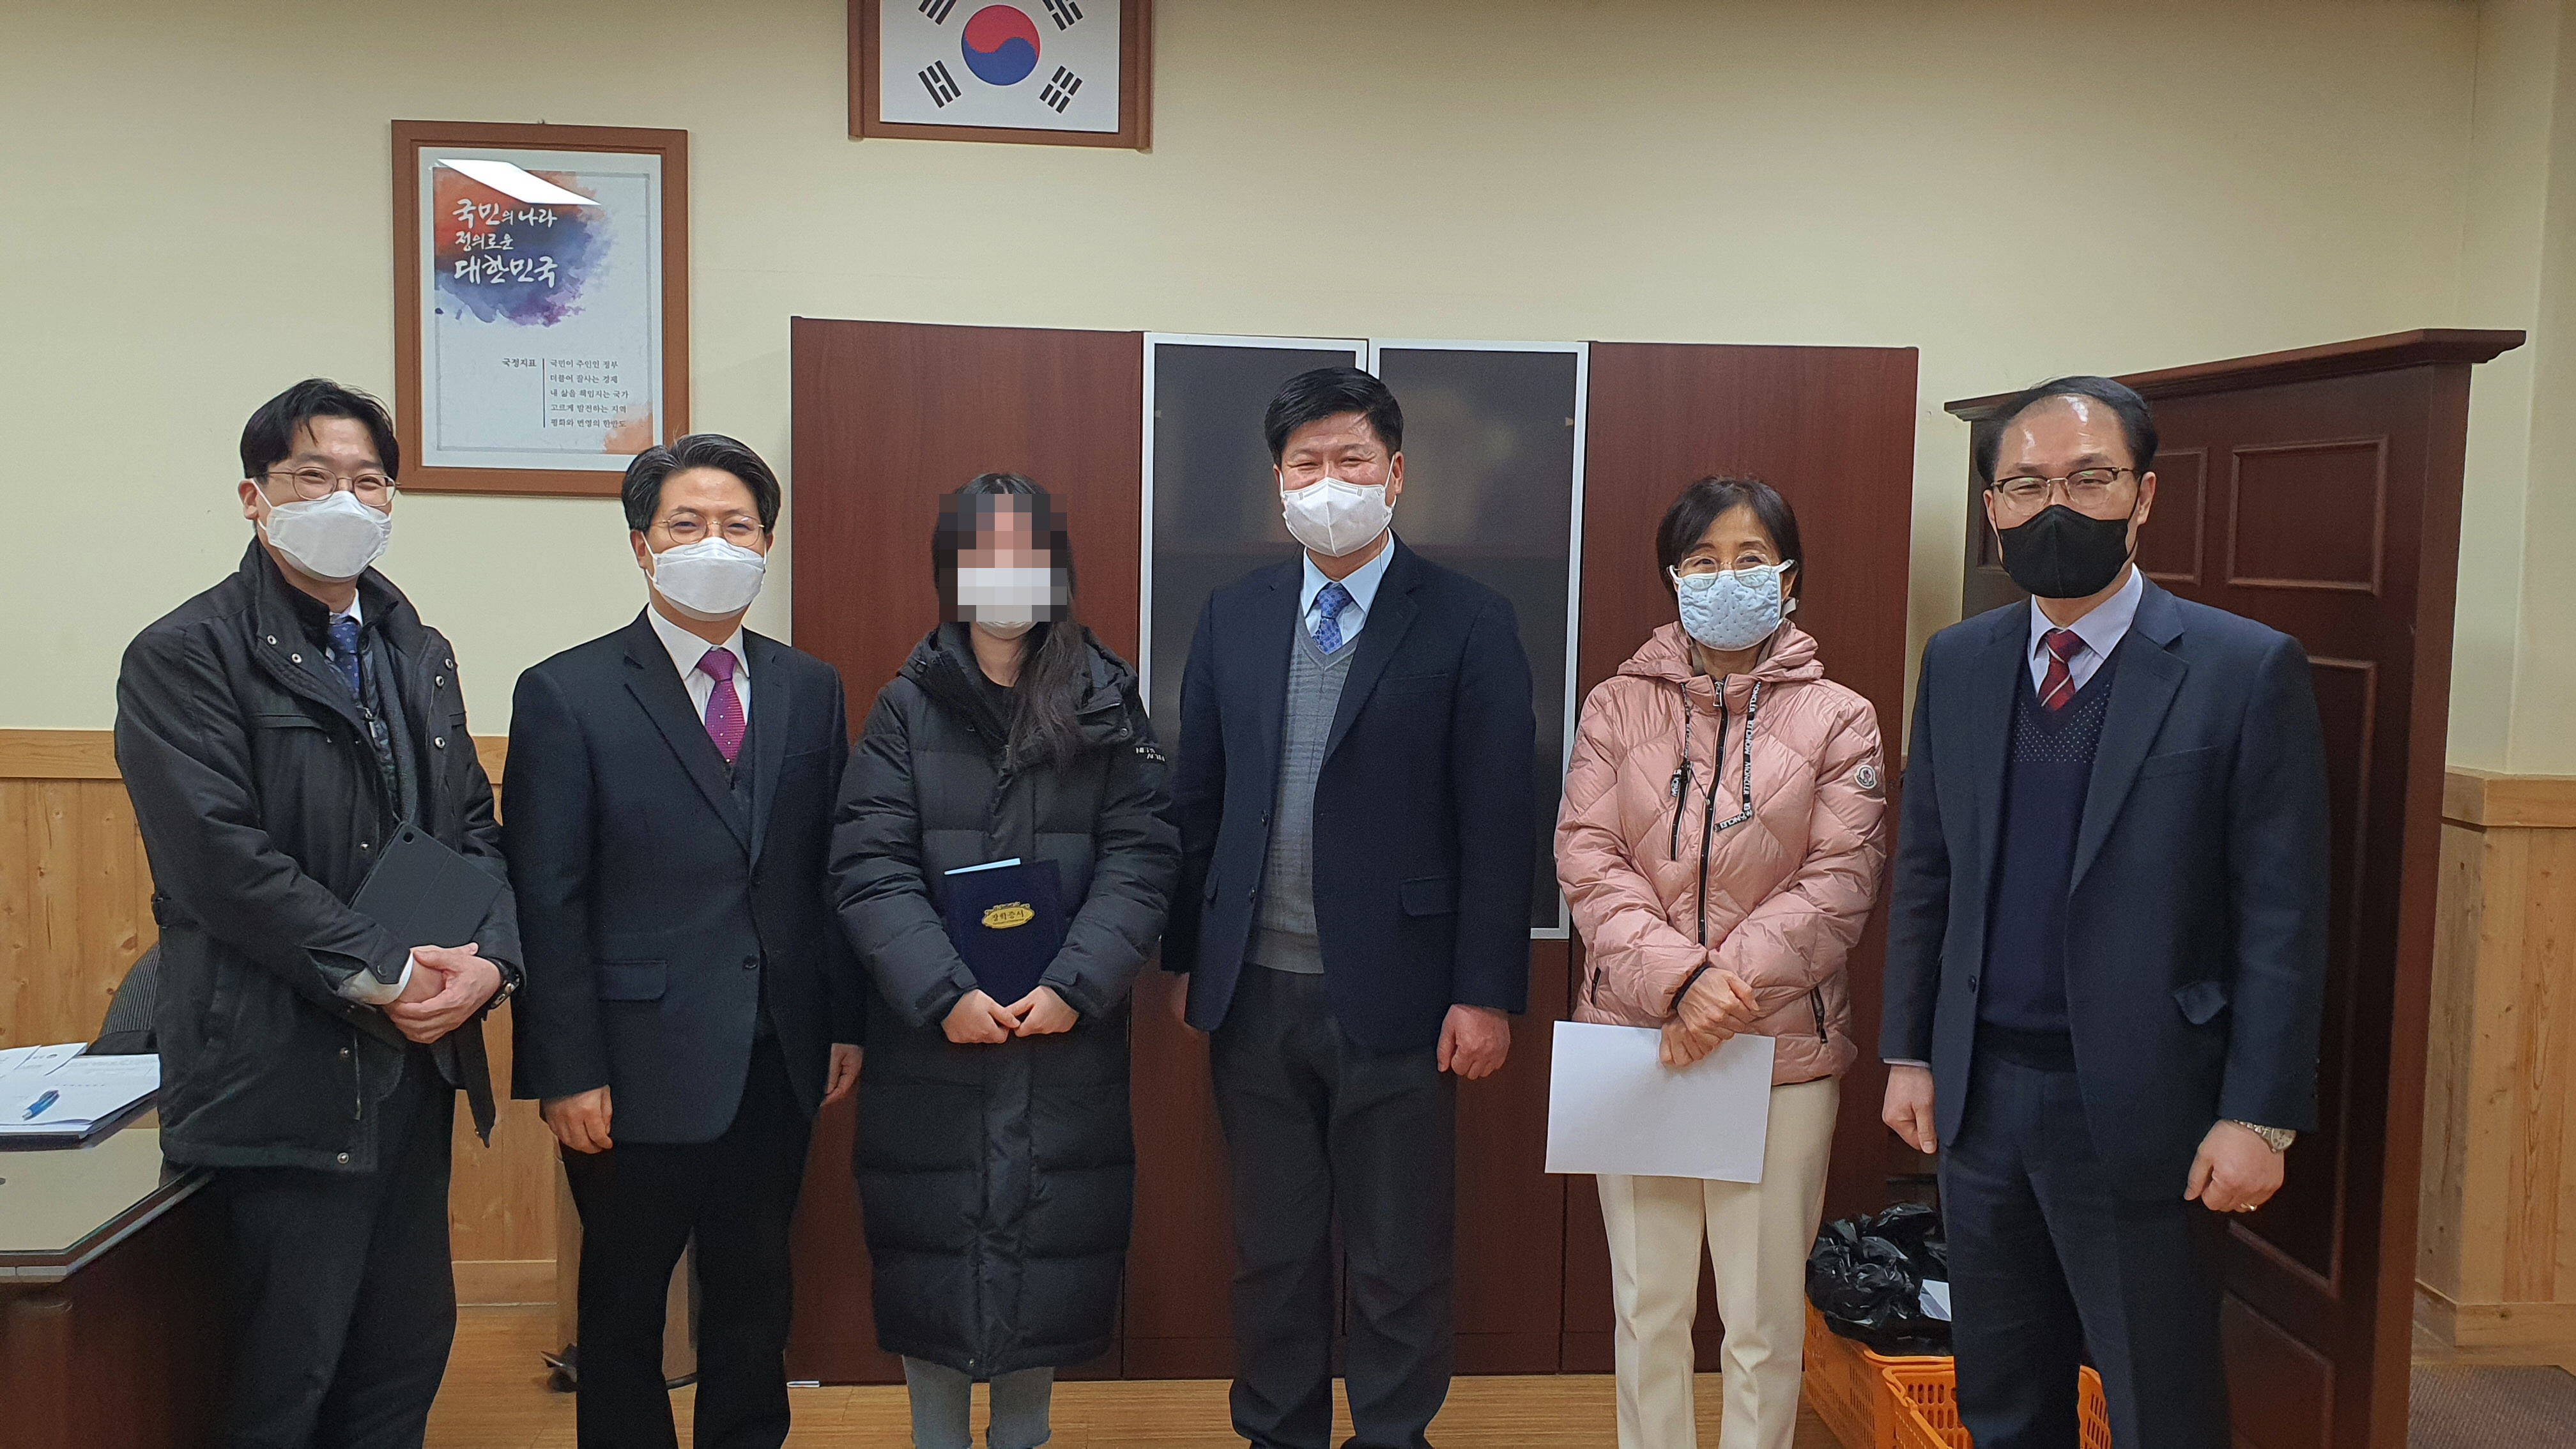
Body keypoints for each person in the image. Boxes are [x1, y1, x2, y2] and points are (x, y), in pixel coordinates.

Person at [1879, 376, 2330, 1448]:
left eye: (2089, 479)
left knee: (2161, 1405)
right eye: (2027, 484)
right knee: (2002, 1400)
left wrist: (2259, 1115)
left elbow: (2283, 914)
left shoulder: (2241, 669)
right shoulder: (1959, 662)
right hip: (1982, 1101)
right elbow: (1928, 871)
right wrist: (1911, 1052)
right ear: (1993, 508)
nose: (2056, 507)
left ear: (2144, 495)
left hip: (2146, 1108)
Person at [114, 378, 518, 1448]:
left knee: (399, 1367)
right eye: (313, 475)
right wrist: (389, 971)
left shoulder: (415, 649)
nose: (345, 498)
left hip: (412, 1075)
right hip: (274, 1079)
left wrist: (492, 964)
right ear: (255, 497)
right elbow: (219, 864)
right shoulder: (185, 653)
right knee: (279, 1384)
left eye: (368, 479)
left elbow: (473, 830)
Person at [1162, 367, 1538, 1449]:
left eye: (1351, 461)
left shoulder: (1469, 620)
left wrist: (1485, 995)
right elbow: (1197, 801)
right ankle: (1276, 1432)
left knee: (1397, 1257)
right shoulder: (1234, 615)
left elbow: (1500, 825)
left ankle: (1392, 1435)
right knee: (1271, 1255)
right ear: (1278, 483)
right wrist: (1189, 957)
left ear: (1397, 474)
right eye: (1306, 465)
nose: (1329, 483)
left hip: (1405, 1000)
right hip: (1254, 995)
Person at [504, 433, 864, 1449]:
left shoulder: (809, 687)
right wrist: (565, 1069)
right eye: (688, 524)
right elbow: (548, 896)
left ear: (767, 545)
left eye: (738, 526)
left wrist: (842, 1020)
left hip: (776, 1054)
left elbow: (825, 872)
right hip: (628, 1065)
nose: (716, 543)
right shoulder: (566, 691)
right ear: (642, 546)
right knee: (623, 1308)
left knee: (756, 1295)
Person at [831, 474, 1178, 1449]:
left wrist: (1075, 984)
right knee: (935, 1274)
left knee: (1041, 1278)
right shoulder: (905, 707)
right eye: (982, 554)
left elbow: (1144, 858)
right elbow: (868, 865)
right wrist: (942, 990)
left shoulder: (1106, 702)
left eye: (1025, 554)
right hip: (932, 1049)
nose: (1004, 574)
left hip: (1062, 1044)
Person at [1556, 477, 1889, 1449]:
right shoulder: (1616, 705)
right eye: (1702, 561)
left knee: (1762, 1322)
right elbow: (1586, 854)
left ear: (1790, 578)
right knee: (1647, 1310)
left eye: (1750, 559)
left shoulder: (1842, 717)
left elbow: (1841, 880)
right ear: (1673, 578)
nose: (1725, 577)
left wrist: (1722, 994)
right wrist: (1681, 983)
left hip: (1779, 1057)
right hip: (1638, 1047)